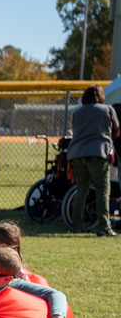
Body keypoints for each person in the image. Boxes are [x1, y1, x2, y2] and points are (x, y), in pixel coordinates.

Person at [69, 84, 119, 237]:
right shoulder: (108, 110)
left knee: (81, 189)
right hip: (98, 153)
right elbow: (116, 130)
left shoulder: (77, 113)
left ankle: (77, 224)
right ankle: (104, 226)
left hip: (78, 154)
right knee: (103, 190)